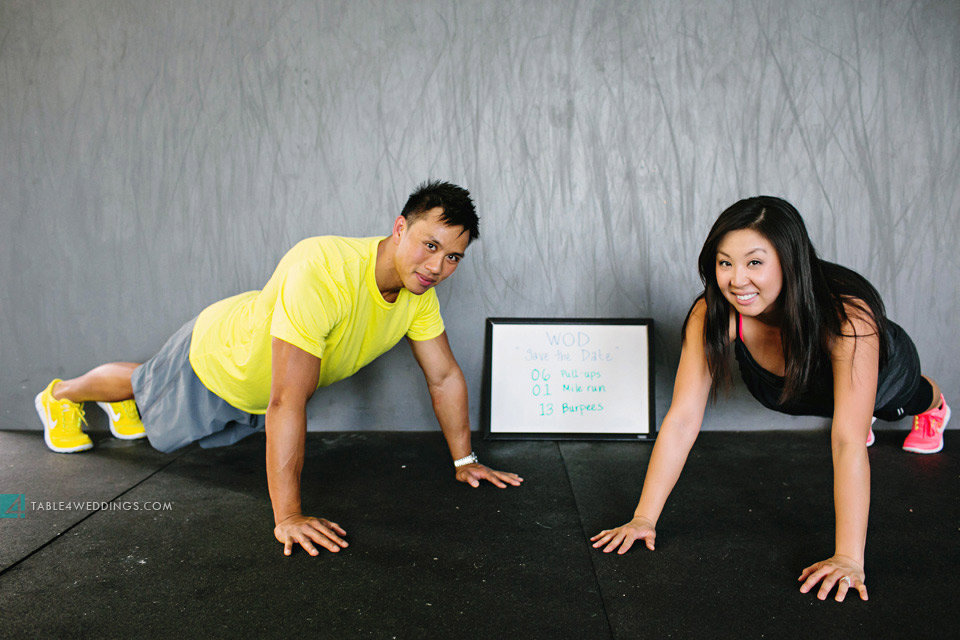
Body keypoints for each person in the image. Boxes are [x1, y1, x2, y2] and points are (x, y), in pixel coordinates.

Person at [35, 180, 523, 556]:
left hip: (256, 389)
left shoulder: (418, 295)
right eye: (430, 245)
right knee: (139, 387)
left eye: (453, 256)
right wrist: (288, 516)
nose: (437, 267)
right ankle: (59, 395)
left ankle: (127, 405)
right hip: (219, 356)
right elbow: (288, 398)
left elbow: (443, 376)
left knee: (148, 392)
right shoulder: (324, 268)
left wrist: (465, 461)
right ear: (400, 228)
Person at [591, 196, 949, 602]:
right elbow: (682, 419)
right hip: (792, 389)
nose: (737, 280)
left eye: (755, 262)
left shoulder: (850, 320)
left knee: (897, 404)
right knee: (846, 413)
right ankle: (855, 409)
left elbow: (847, 444)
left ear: (789, 262)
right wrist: (643, 517)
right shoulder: (715, 314)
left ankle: (931, 406)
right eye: (725, 263)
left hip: (882, 373)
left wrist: (848, 558)